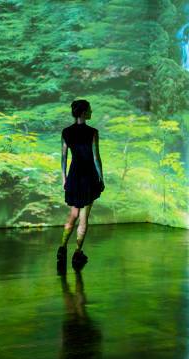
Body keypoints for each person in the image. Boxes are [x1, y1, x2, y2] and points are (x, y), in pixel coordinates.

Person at [56, 99, 104, 267]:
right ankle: (77, 253)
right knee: (83, 219)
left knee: (73, 215)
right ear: (83, 112)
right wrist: (101, 178)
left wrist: (64, 179)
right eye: (89, 109)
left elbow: (63, 158)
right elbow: (96, 157)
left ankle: (62, 248)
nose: (91, 111)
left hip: (74, 177)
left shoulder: (66, 132)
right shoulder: (93, 132)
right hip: (88, 177)